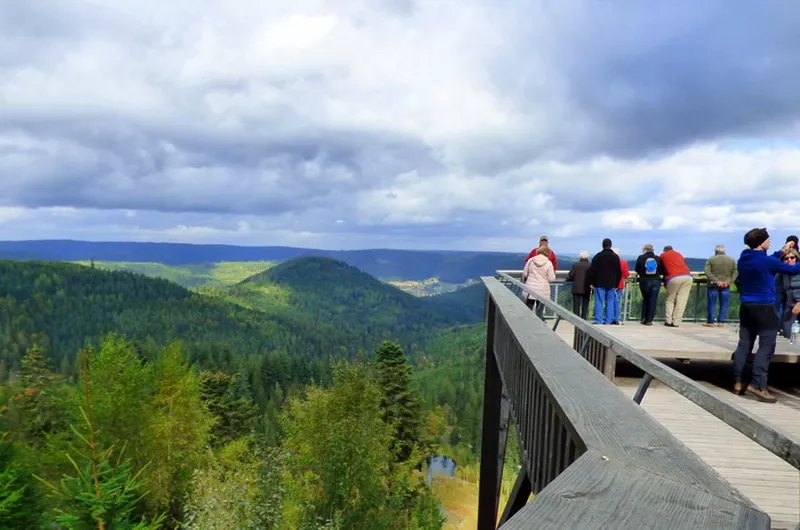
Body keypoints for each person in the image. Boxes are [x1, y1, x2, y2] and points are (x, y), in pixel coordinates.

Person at [732, 228, 800, 403]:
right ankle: (759, 385)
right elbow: (792, 269)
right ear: (761, 242)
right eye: (768, 239)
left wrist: (782, 251)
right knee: (766, 346)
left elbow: (769, 259)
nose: (770, 242)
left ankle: (738, 382)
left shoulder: (744, 258)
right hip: (765, 306)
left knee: (744, 344)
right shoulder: (767, 262)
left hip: (746, 306)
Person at [587, 238, 622, 325]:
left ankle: (598, 320)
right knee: (610, 302)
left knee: (599, 301)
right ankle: (608, 320)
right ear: (611, 245)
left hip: (599, 283)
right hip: (612, 283)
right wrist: (617, 283)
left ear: (602, 245)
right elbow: (619, 271)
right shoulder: (615, 257)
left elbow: (592, 270)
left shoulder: (598, 256)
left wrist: (591, 282)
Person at [703, 244, 737, 327]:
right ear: (724, 251)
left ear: (716, 251)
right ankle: (721, 322)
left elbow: (707, 272)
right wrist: (728, 281)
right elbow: (735, 272)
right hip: (726, 285)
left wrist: (717, 281)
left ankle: (711, 321)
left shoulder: (711, 259)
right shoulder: (731, 260)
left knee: (712, 303)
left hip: (713, 285)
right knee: (724, 303)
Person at [660, 245, 692, 327]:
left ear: (664, 250)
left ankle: (668, 321)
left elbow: (660, 266)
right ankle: (676, 322)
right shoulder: (679, 254)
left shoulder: (663, 255)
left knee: (670, 299)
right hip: (687, 277)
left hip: (673, 277)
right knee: (681, 301)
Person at [522, 246, 556, 321]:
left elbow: (525, 274)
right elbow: (551, 278)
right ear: (548, 253)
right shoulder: (548, 263)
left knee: (528, 307)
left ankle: (527, 323)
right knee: (539, 309)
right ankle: (538, 323)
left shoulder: (531, 260)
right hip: (543, 289)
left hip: (530, 288)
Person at [635, 244, 662, 326]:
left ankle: (644, 318)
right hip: (656, 281)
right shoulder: (657, 258)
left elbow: (637, 269)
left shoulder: (641, 258)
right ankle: (649, 320)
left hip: (644, 281)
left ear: (644, 250)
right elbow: (662, 270)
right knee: (653, 300)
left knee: (646, 299)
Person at [777, 248, 800, 339]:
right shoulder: (782, 274)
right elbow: (778, 291)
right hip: (790, 306)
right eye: (786, 258)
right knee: (788, 332)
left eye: (792, 257)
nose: (789, 260)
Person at [566, 251, 591, 319]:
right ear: (588, 257)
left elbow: (571, 275)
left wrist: (567, 279)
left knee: (576, 305)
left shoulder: (575, 265)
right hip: (587, 288)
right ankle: (584, 318)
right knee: (585, 305)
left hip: (576, 287)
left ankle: (576, 319)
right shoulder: (590, 265)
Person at [612, 248, 630, 325]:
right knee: (617, 302)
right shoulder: (623, 262)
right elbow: (626, 274)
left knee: (609, 302)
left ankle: (609, 318)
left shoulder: (609, 262)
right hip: (619, 284)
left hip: (609, 284)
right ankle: (616, 318)